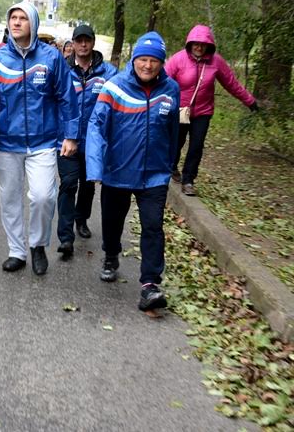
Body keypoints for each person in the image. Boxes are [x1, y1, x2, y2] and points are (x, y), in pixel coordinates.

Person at [0, 1, 79, 276]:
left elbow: (67, 97)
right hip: (7, 143)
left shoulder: (51, 58)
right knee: (9, 198)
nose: (17, 22)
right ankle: (17, 251)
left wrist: (70, 135)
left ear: (33, 23)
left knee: (44, 196)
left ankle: (38, 245)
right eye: (13, 18)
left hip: (43, 142)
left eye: (23, 18)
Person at [86, 31, 179, 311]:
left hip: (154, 174)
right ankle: (111, 255)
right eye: (143, 59)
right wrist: (95, 166)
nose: (148, 66)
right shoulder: (114, 87)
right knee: (113, 221)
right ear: (134, 60)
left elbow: (174, 131)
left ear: (162, 63)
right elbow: (95, 126)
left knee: (152, 226)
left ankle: (150, 284)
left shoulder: (171, 89)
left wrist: (169, 163)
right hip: (119, 170)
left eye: (154, 61)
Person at [164, 24, 258, 196]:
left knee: (196, 146)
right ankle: (171, 167)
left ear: (209, 45)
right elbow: (162, 81)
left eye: (202, 44)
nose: (199, 47)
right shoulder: (178, 59)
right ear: (190, 43)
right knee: (176, 142)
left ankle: (188, 180)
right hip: (179, 110)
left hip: (203, 112)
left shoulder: (216, 62)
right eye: (195, 44)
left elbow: (232, 84)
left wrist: (249, 100)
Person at [55, 25, 118, 260]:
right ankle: (65, 237)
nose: (83, 45)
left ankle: (81, 219)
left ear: (92, 43)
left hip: (95, 142)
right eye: (79, 40)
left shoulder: (108, 72)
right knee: (69, 183)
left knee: (88, 184)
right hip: (66, 139)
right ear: (72, 43)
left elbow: (115, 105)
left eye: (87, 40)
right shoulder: (62, 69)